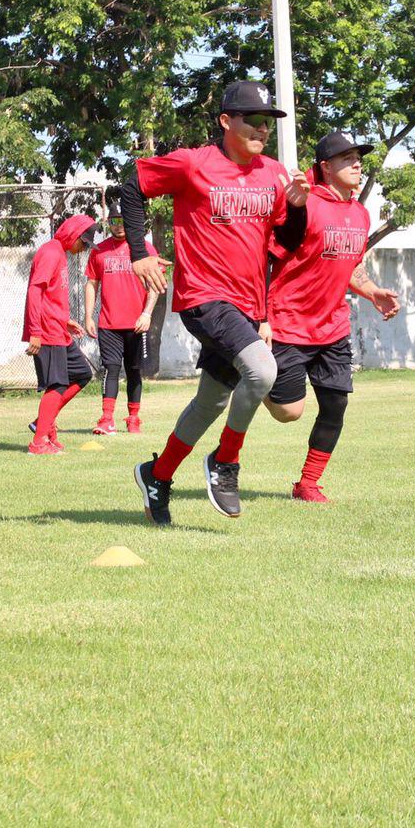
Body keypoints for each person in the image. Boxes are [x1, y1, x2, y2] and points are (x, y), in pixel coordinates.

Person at [119, 80, 309, 525]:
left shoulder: (276, 175)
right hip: (203, 297)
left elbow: (288, 242)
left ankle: (157, 474)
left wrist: (298, 208)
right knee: (263, 371)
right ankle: (226, 461)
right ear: (226, 121)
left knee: (210, 402)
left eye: (268, 123)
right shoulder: (192, 164)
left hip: (246, 303)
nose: (263, 130)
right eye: (253, 121)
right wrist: (139, 252)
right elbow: (133, 187)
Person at [259, 132, 401, 502]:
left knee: (336, 404)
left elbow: (350, 265)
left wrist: (372, 292)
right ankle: (254, 378)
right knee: (289, 412)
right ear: (325, 167)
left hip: (333, 328)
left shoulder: (360, 213)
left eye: (358, 158)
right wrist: (261, 318)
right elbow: (269, 262)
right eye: (346, 158)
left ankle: (307, 483)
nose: (357, 164)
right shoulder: (305, 205)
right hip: (289, 323)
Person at [22, 213, 97, 455]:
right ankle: (39, 441)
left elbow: (51, 296)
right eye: (83, 243)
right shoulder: (50, 252)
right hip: (46, 332)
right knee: (56, 384)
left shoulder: (60, 254)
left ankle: (44, 422)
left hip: (58, 329)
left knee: (82, 374)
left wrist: (65, 321)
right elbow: (36, 290)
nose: (83, 248)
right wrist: (35, 331)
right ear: (74, 235)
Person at [83, 208, 158, 435]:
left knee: (134, 371)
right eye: (114, 220)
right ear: (108, 222)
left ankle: (133, 418)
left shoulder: (144, 249)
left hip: (137, 324)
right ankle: (107, 419)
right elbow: (91, 283)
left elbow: (155, 285)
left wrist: (147, 314)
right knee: (111, 369)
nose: (119, 225)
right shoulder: (99, 251)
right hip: (108, 324)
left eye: (123, 220)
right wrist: (88, 316)